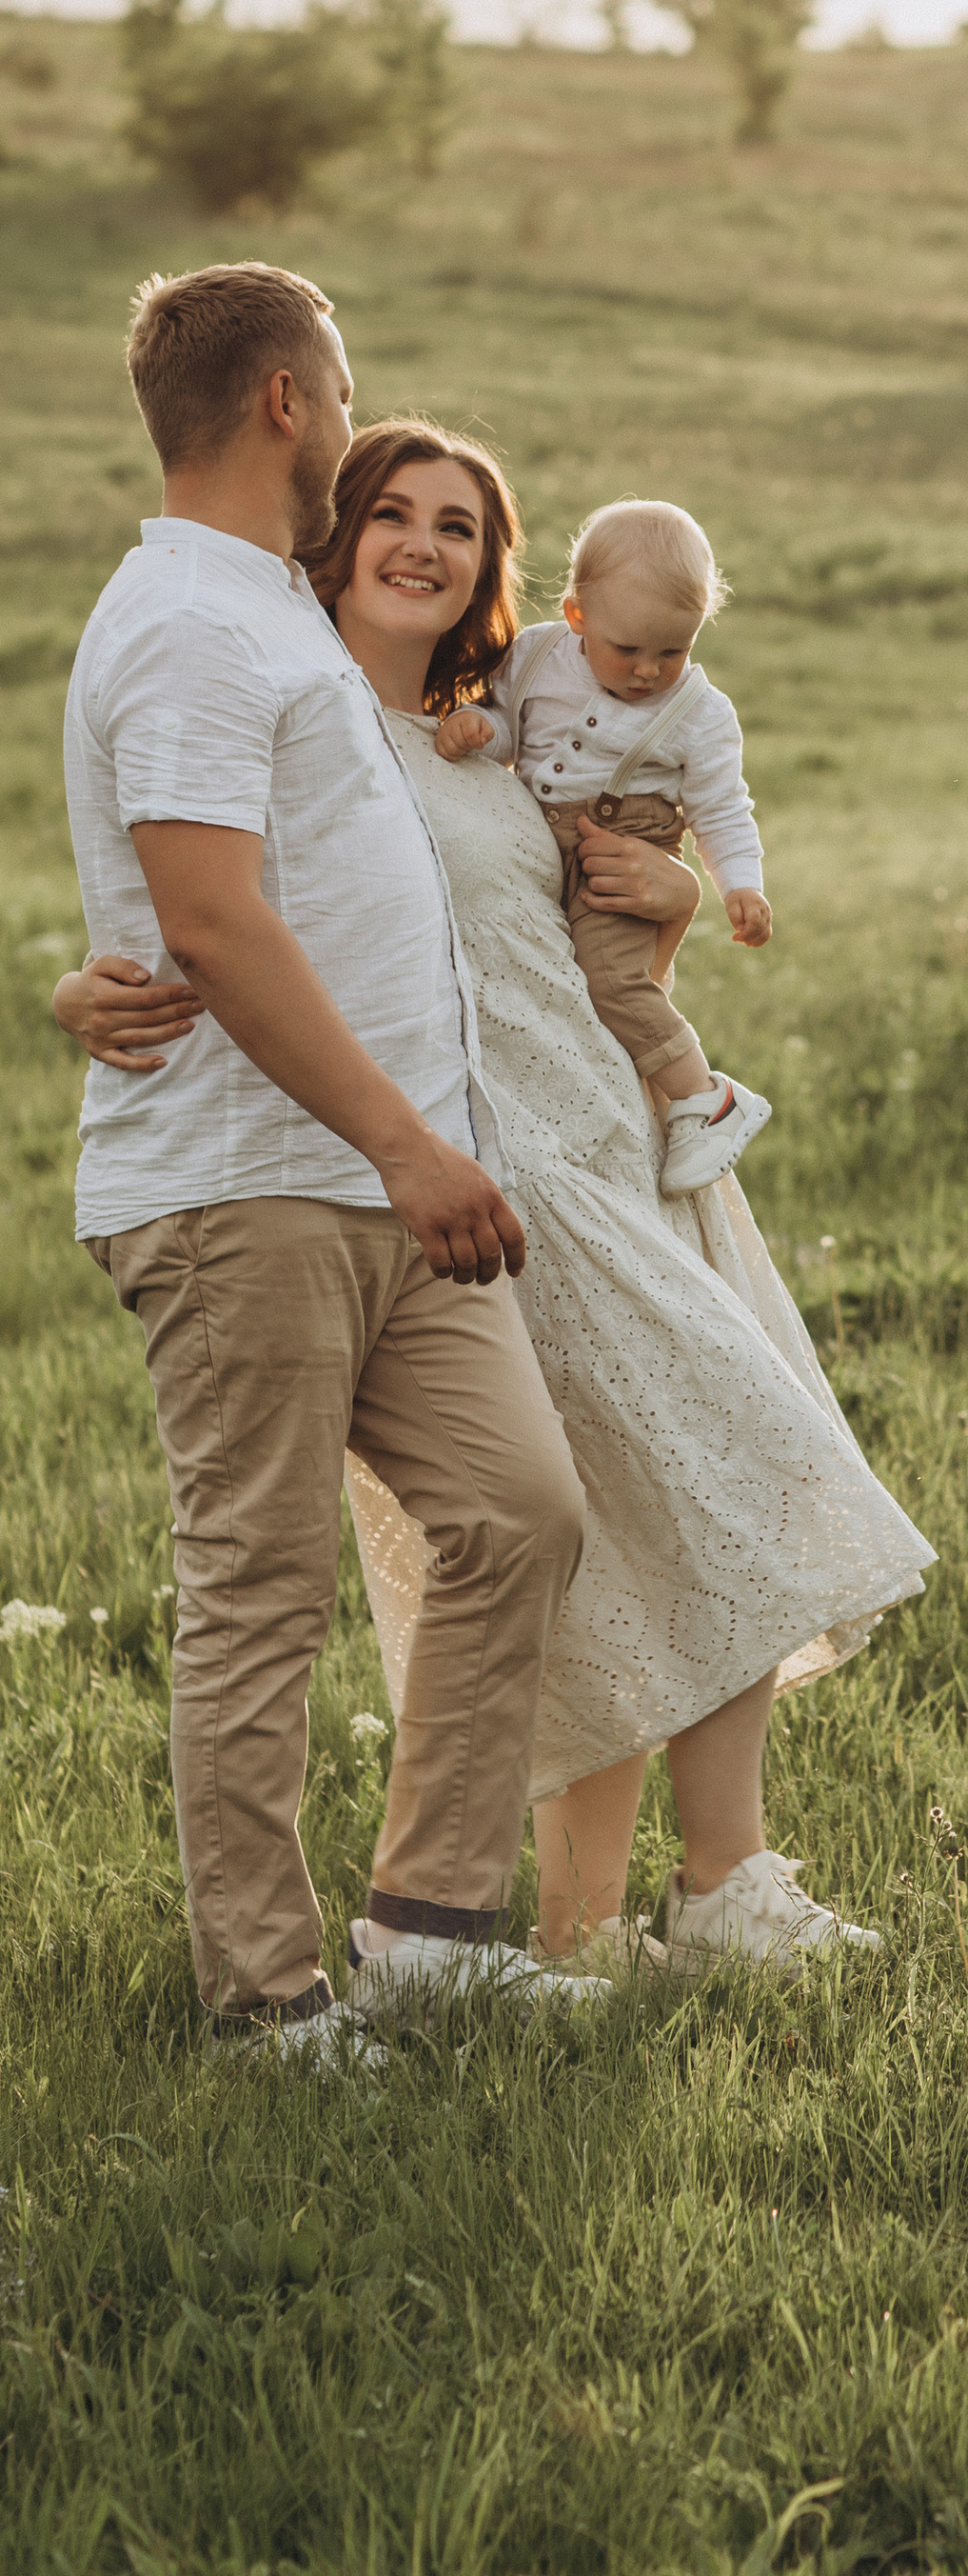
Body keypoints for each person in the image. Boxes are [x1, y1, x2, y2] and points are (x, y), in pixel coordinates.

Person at [62, 413, 932, 1976]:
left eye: (458, 526)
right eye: (391, 511)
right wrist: (91, 984)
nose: (423, 544)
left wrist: (670, 894)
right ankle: (681, 1895)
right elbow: (210, 901)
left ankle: (609, 1919)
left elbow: (586, 920)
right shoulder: (309, 724)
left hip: (607, 1154)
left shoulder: (488, 737)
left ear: (493, 572)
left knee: (647, 1516)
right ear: (333, 538)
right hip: (471, 1184)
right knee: (666, 1496)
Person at [61, 263, 591, 2067]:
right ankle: (268, 2001)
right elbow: (207, 916)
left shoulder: (276, 614)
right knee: (261, 1585)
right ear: (287, 400)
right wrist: (406, 1141)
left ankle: (428, 1931)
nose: (357, 422)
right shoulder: (191, 624)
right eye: (347, 389)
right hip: (247, 1188)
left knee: (518, 1510)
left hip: (383, 1191)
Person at [434, 496, 775, 1198]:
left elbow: (721, 806)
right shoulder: (535, 657)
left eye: (673, 651)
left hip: (625, 850)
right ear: (576, 616)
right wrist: (476, 728)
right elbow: (509, 729)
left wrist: (740, 883)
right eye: (629, 649)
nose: (648, 672)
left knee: (612, 982)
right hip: (539, 840)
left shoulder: (700, 714)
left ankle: (705, 1098)